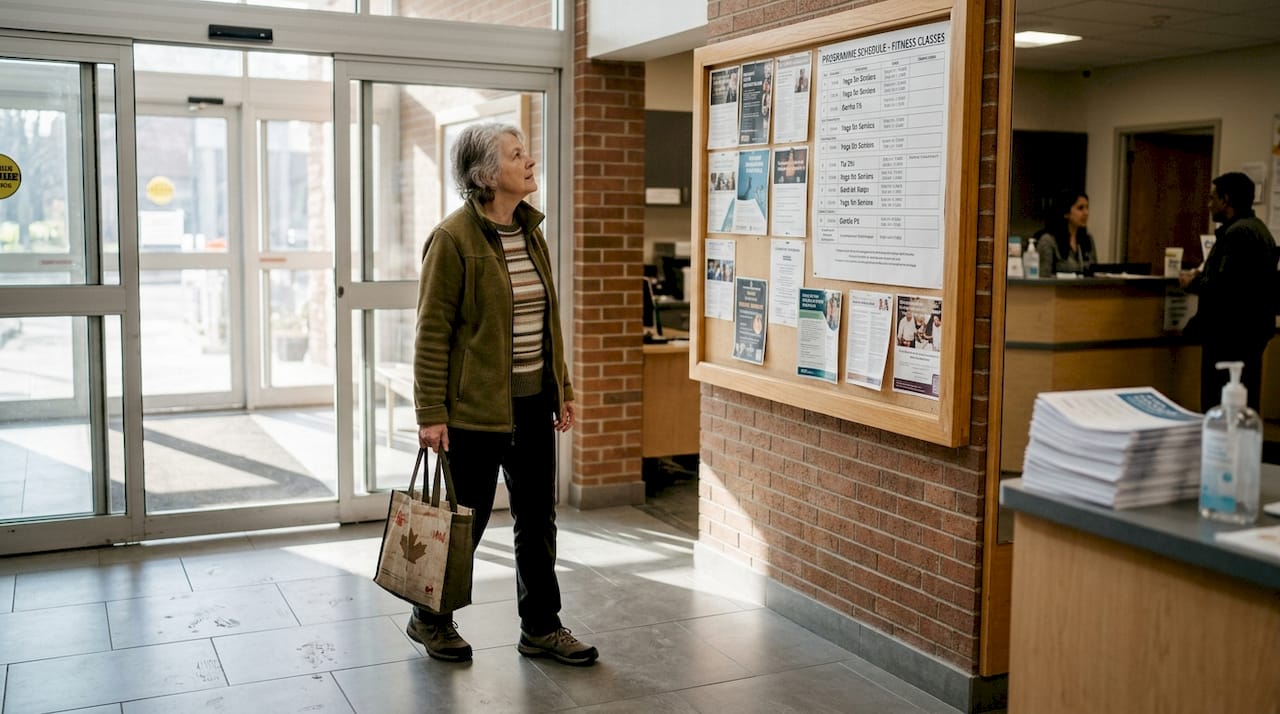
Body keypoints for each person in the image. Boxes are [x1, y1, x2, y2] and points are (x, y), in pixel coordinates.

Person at [410, 122, 598, 666]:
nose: (530, 161)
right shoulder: (452, 240)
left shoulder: (530, 231)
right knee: (465, 521)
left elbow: (547, 320)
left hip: (533, 402)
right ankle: (430, 617)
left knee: (537, 518)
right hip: (474, 410)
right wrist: (431, 412)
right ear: (487, 176)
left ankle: (541, 625)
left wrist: (561, 387)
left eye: (526, 153)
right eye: (518, 155)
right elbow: (432, 332)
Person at [1180, 172, 1277, 412]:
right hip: (1251, 331)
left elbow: (1223, 286)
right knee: (1244, 402)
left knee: (1219, 405)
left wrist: (1191, 283)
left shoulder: (1237, 234)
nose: (1209, 203)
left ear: (1226, 200)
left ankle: (1222, 450)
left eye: (1213, 198)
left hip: (1229, 335)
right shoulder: (1260, 230)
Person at [1035, 190, 1095, 276]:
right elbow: (1043, 276)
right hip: (1058, 289)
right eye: (1080, 208)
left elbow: (1095, 272)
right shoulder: (1048, 240)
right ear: (1066, 213)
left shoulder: (1088, 239)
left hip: (1085, 289)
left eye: (1087, 208)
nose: (1086, 213)